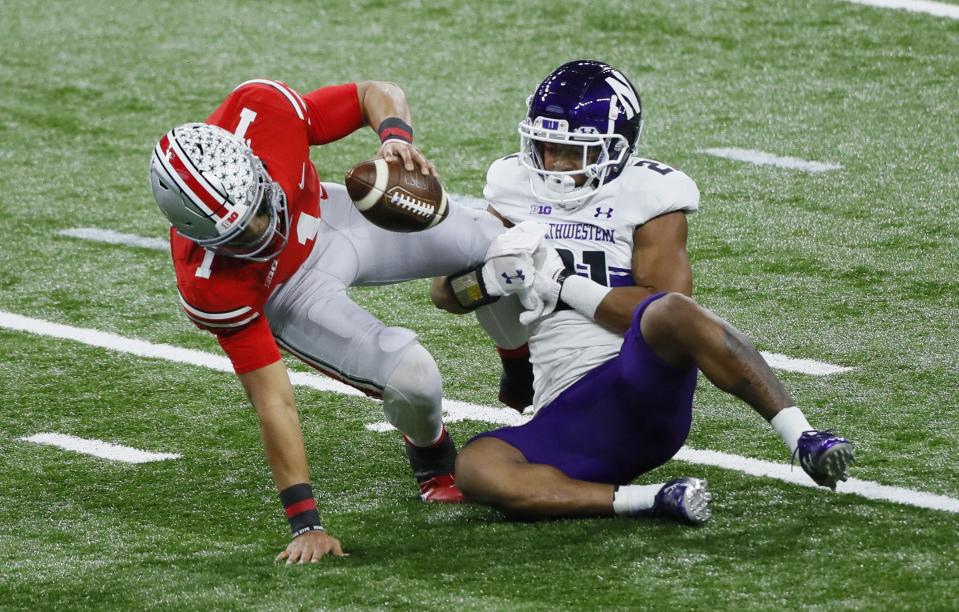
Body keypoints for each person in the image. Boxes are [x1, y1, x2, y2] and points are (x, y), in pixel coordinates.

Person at [432, 60, 855, 523]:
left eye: (573, 151)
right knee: (475, 469)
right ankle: (655, 500)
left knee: (670, 310)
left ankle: (804, 438)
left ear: (615, 148)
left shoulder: (649, 194)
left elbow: (664, 311)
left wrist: (562, 284)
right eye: (546, 146)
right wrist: (489, 281)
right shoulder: (513, 184)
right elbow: (445, 295)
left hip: (636, 383)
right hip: (566, 412)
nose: (553, 163)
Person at [148, 78, 505, 562]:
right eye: (240, 233)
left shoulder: (265, 111)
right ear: (196, 233)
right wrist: (305, 524)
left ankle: (523, 366)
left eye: (258, 207)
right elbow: (275, 402)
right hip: (289, 292)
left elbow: (371, 94)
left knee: (503, 247)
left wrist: (395, 136)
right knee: (415, 377)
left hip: (328, 215)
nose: (261, 230)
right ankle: (432, 454)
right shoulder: (210, 283)